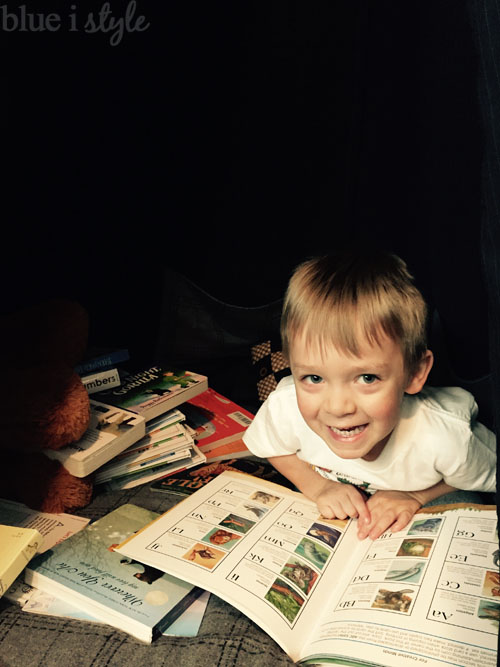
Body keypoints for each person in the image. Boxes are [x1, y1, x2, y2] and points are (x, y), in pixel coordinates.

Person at [243, 250, 496, 541]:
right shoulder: (286, 405)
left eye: (367, 378)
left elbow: (489, 472)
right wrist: (318, 487)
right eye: (314, 378)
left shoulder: (447, 438)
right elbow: (272, 447)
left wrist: (414, 495)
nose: (337, 407)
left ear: (415, 373)